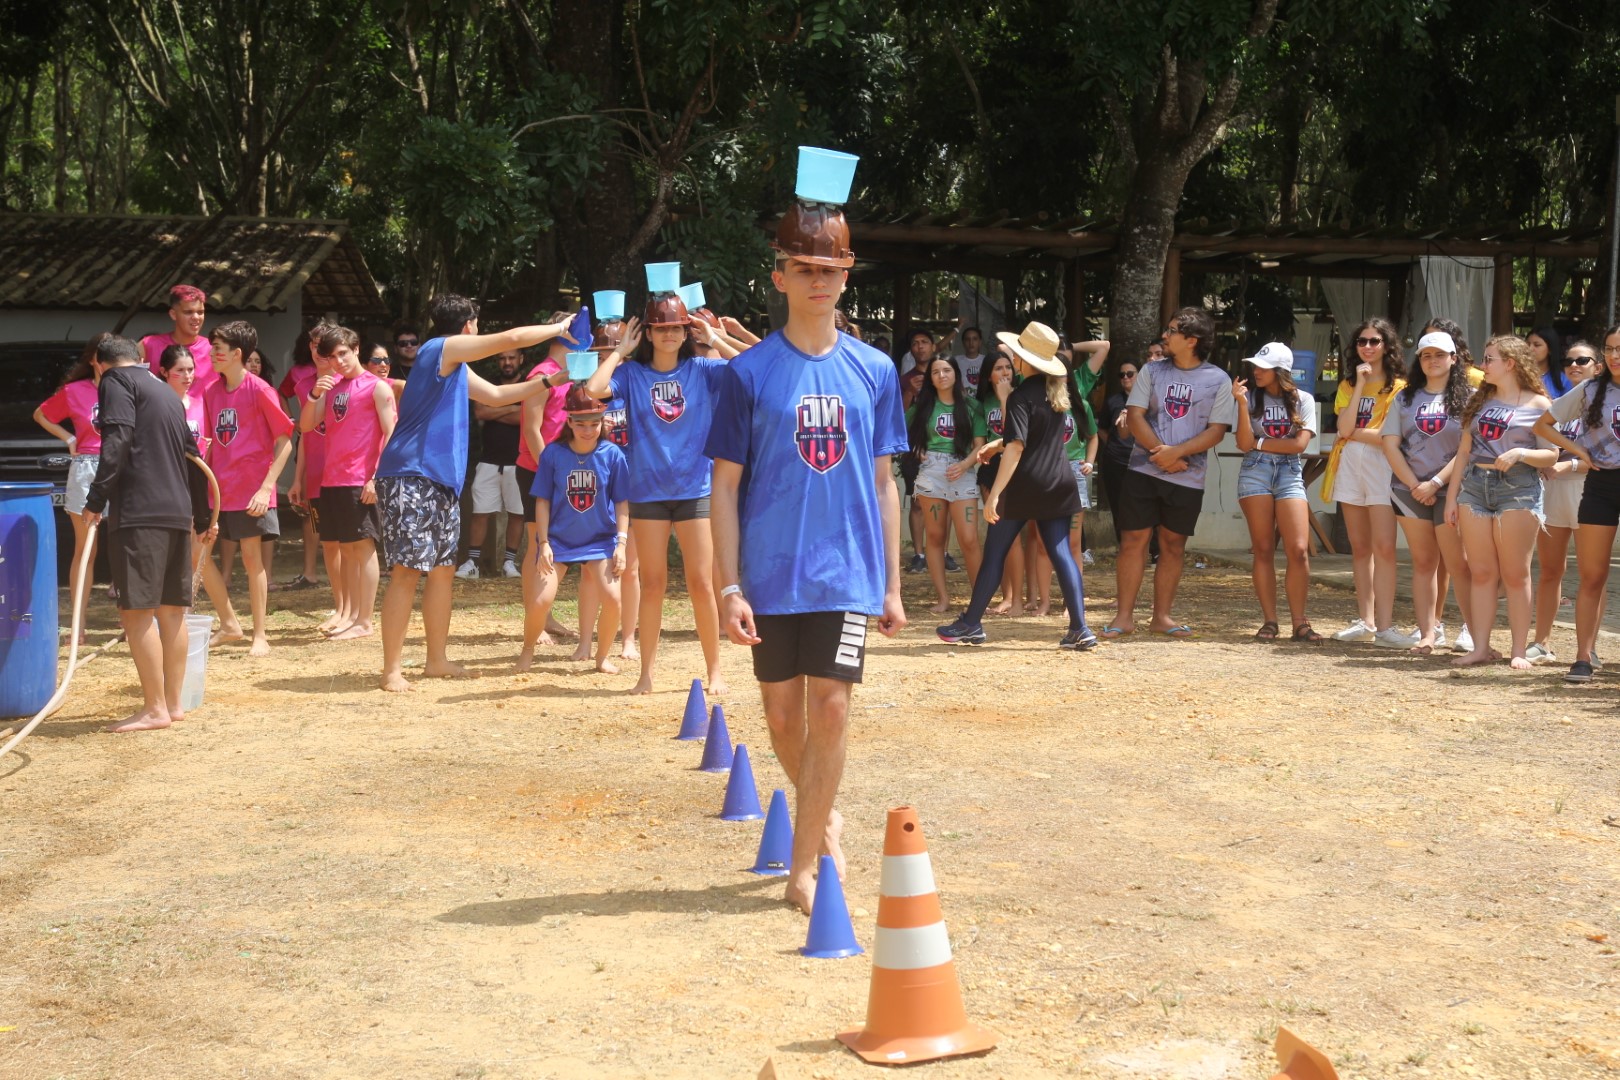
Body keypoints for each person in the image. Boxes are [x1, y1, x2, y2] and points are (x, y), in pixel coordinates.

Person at [707, 161, 908, 913]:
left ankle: (803, 867)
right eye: (804, 268)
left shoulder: (876, 371)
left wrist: (891, 583)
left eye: (830, 269)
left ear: (847, 276)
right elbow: (724, 487)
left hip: (846, 572)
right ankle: (823, 819)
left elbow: (885, 483)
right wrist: (729, 586)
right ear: (780, 276)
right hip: (769, 574)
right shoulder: (747, 375)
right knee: (783, 718)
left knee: (830, 708)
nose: (818, 280)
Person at [374, 296, 574, 692]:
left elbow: (498, 396)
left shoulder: (454, 366)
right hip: (411, 474)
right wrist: (558, 329)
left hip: (441, 479)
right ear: (469, 325)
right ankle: (391, 670)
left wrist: (554, 380)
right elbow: (511, 338)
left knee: (443, 570)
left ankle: (436, 661)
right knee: (407, 572)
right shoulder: (440, 349)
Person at [584, 270, 728, 697]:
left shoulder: (702, 369)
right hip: (647, 493)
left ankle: (715, 671)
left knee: (702, 584)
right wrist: (620, 351)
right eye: (661, 328)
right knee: (653, 584)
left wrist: (714, 338)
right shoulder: (631, 375)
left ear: (686, 331)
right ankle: (645, 674)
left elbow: (752, 370)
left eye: (677, 327)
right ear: (648, 333)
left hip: (695, 490)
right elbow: (592, 389)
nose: (670, 335)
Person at [938, 321, 1097, 651]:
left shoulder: (1021, 396)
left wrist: (994, 493)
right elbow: (1036, 437)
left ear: (1023, 359)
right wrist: (997, 444)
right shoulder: (1056, 391)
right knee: (1061, 553)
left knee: (995, 551)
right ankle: (1080, 628)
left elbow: (1018, 447)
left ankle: (970, 623)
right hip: (1059, 481)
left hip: (1025, 485)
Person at [81, 335, 213, 732]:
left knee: (136, 613)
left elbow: (117, 439)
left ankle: (155, 709)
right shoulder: (166, 391)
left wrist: (95, 498)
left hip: (140, 512)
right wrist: (202, 516)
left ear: (99, 363)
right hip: (176, 511)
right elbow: (194, 458)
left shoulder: (116, 381)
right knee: (172, 611)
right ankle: (173, 704)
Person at [1106, 307, 1237, 638]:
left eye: (1172, 330)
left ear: (1192, 340)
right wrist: (1160, 454)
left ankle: (1161, 617)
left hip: (1188, 476)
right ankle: (1123, 617)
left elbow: (1217, 431)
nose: (1165, 335)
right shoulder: (1151, 371)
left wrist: (1176, 454)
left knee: (1173, 545)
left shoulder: (1219, 380)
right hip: (1142, 471)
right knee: (1133, 541)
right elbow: (1135, 416)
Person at [1445, 335, 1553, 669]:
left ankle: (1518, 651)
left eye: (1489, 359)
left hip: (1518, 488)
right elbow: (1463, 452)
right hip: (1475, 487)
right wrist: (1451, 498)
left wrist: (1521, 453)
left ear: (1510, 363)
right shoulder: (1480, 400)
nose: (1482, 365)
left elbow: (1551, 454)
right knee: (1481, 572)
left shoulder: (1539, 404)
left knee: (1516, 573)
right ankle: (1480, 648)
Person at [197, 320, 294, 656]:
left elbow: (285, 442)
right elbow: (211, 443)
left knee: (253, 562)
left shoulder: (261, 390)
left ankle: (260, 635)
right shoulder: (210, 391)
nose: (212, 354)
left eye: (218, 349)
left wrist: (266, 489)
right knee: (198, 554)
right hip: (218, 492)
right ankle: (229, 624)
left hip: (252, 491)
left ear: (237, 353)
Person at [1534, 324, 1620, 683]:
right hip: (1600, 485)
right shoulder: (1591, 388)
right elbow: (1543, 425)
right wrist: (1579, 452)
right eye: (1610, 349)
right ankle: (1583, 657)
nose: (1615, 355)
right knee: (1592, 575)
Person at [299, 324, 396, 640]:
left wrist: (376, 478)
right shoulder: (332, 387)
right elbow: (307, 425)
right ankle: (352, 616)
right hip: (332, 479)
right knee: (347, 550)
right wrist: (315, 393)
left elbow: (391, 434)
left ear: (356, 350)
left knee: (363, 549)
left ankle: (365, 621)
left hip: (360, 479)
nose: (338, 361)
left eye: (343, 353)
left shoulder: (376, 387)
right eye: (331, 356)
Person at [1383, 331, 1473, 655]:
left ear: (1453, 358)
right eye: (1426, 355)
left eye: (1439, 354)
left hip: (1454, 489)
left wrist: (1435, 483)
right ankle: (1427, 635)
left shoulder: (1470, 397)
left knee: (1458, 563)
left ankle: (1475, 633)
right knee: (1424, 563)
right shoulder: (1404, 398)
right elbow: (1389, 444)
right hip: (1408, 491)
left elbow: (1467, 449)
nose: (1432, 361)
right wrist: (1414, 485)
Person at [529, 385, 630, 673]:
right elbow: (542, 501)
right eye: (581, 424)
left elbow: (622, 503)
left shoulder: (613, 454)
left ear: (603, 422)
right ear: (570, 422)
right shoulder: (553, 454)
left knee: (613, 599)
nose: (588, 430)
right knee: (540, 601)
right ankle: (527, 650)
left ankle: (602, 657)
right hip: (559, 541)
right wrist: (544, 543)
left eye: (594, 423)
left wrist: (621, 544)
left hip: (600, 541)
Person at [1322, 317, 1409, 646]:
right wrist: (1359, 384)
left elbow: (1388, 437)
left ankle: (1385, 626)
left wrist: (1352, 433)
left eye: (1375, 341)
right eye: (1362, 341)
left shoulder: (1400, 387)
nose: (1368, 347)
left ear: (1387, 346)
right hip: (1349, 463)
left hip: (1383, 465)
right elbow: (1343, 426)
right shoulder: (1348, 385)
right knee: (1359, 547)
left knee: (1384, 547)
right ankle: (1367, 621)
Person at [1231, 342, 1321, 642]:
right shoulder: (1248, 397)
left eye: (1263, 367)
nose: (1256, 371)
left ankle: (1300, 622)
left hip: (1289, 472)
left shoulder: (1303, 399)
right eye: (1256, 366)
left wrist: (1259, 443)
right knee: (1263, 548)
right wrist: (1240, 404)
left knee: (1298, 549)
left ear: (1280, 371)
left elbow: (1298, 445)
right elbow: (1242, 443)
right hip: (1254, 471)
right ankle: (1270, 621)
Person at [515, 314, 587, 669]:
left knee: (556, 548)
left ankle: (545, 613)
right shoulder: (541, 374)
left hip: (562, 472)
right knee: (537, 543)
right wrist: (551, 474)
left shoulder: (572, 373)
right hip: (537, 471)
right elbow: (532, 429)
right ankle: (536, 618)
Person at [1527, 339, 1600, 664]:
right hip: (1553, 492)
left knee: (1592, 575)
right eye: (1569, 361)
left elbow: (1605, 457)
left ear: (1598, 367)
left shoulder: (1604, 406)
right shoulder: (1555, 405)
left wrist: (1566, 465)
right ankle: (1541, 642)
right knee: (1550, 570)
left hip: (1590, 492)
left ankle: (1589, 649)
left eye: (1582, 360)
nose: (1574, 365)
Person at [34, 334, 110, 632]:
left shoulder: (130, 388)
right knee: (85, 549)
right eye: (104, 356)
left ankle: (132, 620)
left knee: (127, 548)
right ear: (92, 359)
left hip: (124, 468)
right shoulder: (75, 390)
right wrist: (69, 438)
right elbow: (41, 414)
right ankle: (79, 622)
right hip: (87, 467)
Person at [905, 354, 985, 614]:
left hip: (963, 470)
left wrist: (965, 464)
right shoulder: (923, 406)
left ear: (956, 374)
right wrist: (915, 448)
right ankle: (943, 598)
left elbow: (980, 445)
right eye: (936, 372)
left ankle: (979, 599)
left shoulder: (972, 406)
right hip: (932, 473)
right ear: (930, 378)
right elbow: (899, 429)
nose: (942, 375)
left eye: (947, 370)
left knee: (969, 539)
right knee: (935, 536)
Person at [457, 348, 528, 579]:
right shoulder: (488, 384)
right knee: (480, 512)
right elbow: (481, 412)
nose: (507, 362)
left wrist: (496, 408)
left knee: (517, 513)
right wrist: (514, 408)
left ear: (520, 359)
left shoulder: (529, 384)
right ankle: (473, 563)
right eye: (502, 358)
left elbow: (525, 417)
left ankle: (509, 563)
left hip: (518, 461)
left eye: (511, 357)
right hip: (488, 460)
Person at [975, 349, 1024, 613]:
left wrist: (1006, 398)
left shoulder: (1021, 395)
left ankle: (1017, 600)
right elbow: (980, 442)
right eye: (998, 368)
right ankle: (1006, 596)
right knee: (997, 537)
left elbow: (1011, 433)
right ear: (988, 375)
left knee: (1013, 538)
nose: (1005, 372)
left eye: (1008, 367)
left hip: (1015, 467)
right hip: (990, 469)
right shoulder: (982, 403)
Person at [141, 284, 218, 395]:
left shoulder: (215, 349)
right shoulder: (148, 345)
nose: (196, 317)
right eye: (188, 312)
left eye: (200, 312)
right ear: (173, 314)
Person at [1527, 325, 1570, 399]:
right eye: (1528, 344)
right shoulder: (1517, 376)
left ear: (1550, 349)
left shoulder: (1563, 380)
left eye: (1537, 345)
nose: (1530, 349)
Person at [954, 325, 988, 391]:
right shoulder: (956, 361)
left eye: (975, 339)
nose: (971, 342)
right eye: (967, 339)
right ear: (963, 342)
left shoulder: (986, 360)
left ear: (980, 342)